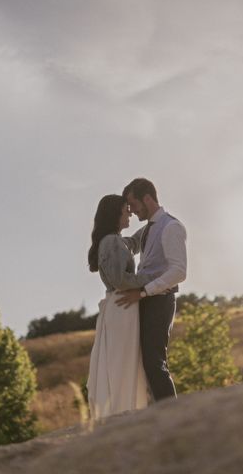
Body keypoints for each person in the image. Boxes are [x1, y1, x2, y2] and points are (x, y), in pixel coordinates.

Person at [116, 178, 187, 401]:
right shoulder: (147, 230)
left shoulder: (171, 226)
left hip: (160, 300)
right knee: (144, 362)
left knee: (154, 361)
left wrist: (144, 291)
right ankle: (155, 413)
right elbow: (128, 246)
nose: (133, 211)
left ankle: (170, 415)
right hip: (146, 300)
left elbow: (179, 272)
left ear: (147, 198)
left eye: (134, 205)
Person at [86, 194, 154, 420]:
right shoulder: (112, 241)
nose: (130, 214)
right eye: (127, 210)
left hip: (119, 307)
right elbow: (119, 279)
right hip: (123, 306)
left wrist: (154, 222)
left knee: (121, 362)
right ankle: (125, 411)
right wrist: (150, 278)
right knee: (123, 363)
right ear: (115, 214)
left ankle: (124, 408)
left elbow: (132, 244)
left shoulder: (113, 240)